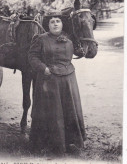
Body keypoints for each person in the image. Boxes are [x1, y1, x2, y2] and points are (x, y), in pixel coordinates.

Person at [28, 12, 86, 156]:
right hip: (49, 80)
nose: (55, 24)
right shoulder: (40, 39)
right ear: (48, 25)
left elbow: (76, 52)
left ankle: (70, 142)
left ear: (62, 24)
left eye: (58, 21)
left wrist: (82, 50)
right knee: (52, 112)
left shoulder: (69, 39)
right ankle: (49, 144)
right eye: (52, 21)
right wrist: (44, 68)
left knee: (68, 110)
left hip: (68, 80)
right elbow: (32, 56)